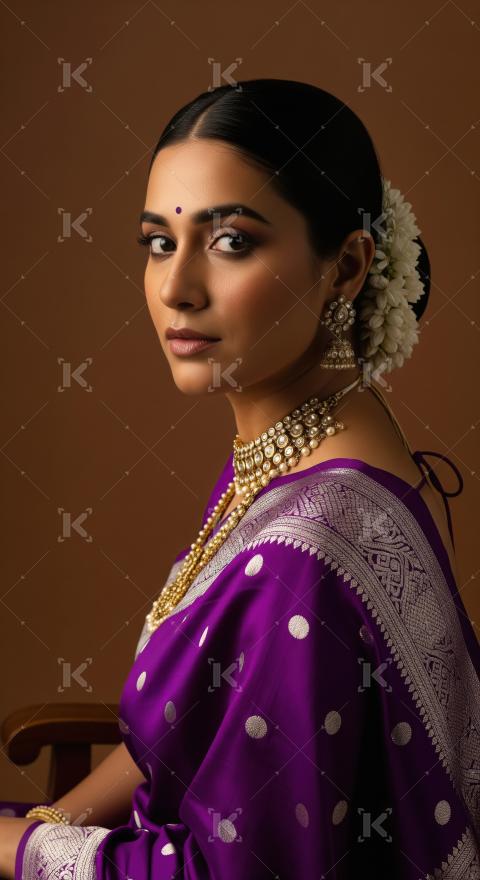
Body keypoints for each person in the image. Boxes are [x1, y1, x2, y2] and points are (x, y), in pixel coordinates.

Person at [1, 78, 479, 880]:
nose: (176, 288)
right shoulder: (319, 437)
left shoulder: (310, 547)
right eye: (159, 241)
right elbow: (197, 727)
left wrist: (20, 847)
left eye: (231, 242)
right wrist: (57, 817)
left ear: (349, 267)